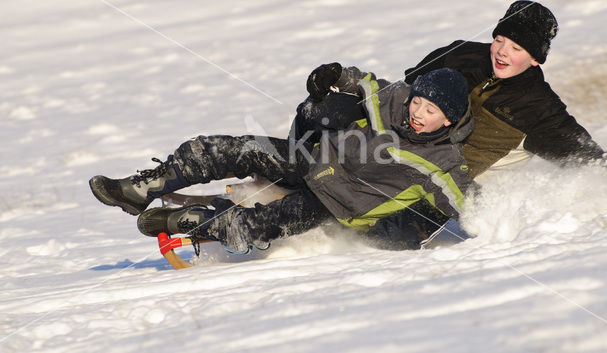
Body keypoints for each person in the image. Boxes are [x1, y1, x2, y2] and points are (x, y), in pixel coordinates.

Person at [89, 67, 474, 251]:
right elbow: (366, 83)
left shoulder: (443, 163)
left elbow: (470, 205)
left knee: (262, 224)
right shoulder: (398, 99)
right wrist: (335, 74)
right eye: (418, 102)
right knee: (237, 148)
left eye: (431, 111)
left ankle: (195, 222)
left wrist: (505, 227)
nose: (418, 113)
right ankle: (144, 187)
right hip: (314, 158)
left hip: (337, 205)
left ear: (450, 119)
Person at [297, 0, 607, 181]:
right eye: (500, 40)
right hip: (396, 139)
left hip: (433, 175)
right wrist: (344, 81)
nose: (501, 52)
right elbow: (402, 91)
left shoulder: (538, 106)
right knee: (320, 108)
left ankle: (311, 196)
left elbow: (588, 160)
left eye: (516, 48)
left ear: (535, 58)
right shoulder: (463, 54)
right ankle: (293, 173)